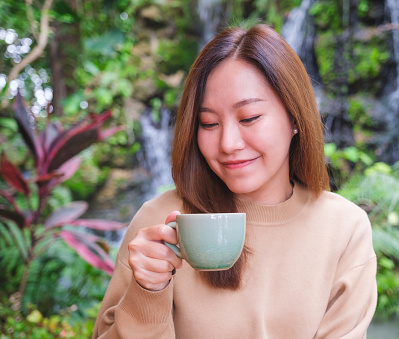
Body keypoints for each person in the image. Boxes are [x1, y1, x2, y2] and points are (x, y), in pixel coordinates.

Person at [93, 24, 377, 339]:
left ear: (295, 117)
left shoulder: (344, 228)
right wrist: (148, 289)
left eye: (249, 118)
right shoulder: (159, 224)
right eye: (209, 123)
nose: (228, 143)